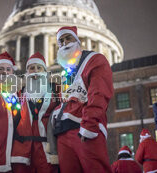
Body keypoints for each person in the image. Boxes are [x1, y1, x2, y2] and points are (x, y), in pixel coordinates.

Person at [52, 26, 113, 173]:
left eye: (68, 38)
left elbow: (99, 93)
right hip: (63, 133)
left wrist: (89, 125)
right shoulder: (66, 74)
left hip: (84, 128)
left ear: (78, 41)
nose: (65, 43)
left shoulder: (94, 59)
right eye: (61, 41)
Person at [11, 52, 59, 173]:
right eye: (32, 68)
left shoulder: (55, 92)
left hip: (46, 149)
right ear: (27, 72)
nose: (36, 71)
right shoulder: (19, 94)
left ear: (44, 71)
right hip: (22, 150)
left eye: (39, 68)